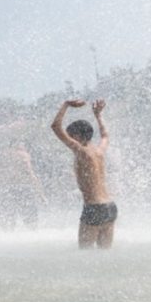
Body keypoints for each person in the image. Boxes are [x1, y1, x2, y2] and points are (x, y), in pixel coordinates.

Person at [51, 99, 116, 248]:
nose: (69, 140)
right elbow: (105, 135)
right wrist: (98, 115)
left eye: (70, 136)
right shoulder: (99, 151)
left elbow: (55, 127)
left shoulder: (82, 151)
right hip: (110, 207)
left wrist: (66, 104)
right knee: (104, 257)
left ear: (78, 137)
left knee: (85, 256)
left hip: (94, 208)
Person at [0, 140, 47, 230]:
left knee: (7, 221)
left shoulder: (4, 155)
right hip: (23, 188)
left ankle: (7, 240)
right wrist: (41, 194)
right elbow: (30, 174)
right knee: (31, 222)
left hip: (6, 189)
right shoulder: (23, 155)